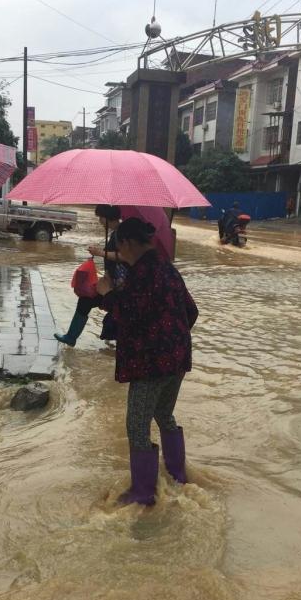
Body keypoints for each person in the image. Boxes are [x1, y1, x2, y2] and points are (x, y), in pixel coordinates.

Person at [96, 217, 198, 507]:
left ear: (128, 243)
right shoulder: (167, 268)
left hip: (151, 364)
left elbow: (128, 314)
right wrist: (172, 337)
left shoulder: (142, 274)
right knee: (164, 414)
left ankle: (143, 493)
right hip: (177, 358)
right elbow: (191, 311)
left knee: (137, 425)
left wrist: (106, 294)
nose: (118, 251)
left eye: (119, 245)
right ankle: (177, 476)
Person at [54, 204, 124, 347]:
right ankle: (71, 337)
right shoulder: (115, 233)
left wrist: (100, 253)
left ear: (107, 217)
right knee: (85, 301)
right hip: (111, 282)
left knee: (114, 313)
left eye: (100, 217)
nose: (99, 221)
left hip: (121, 287)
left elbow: (124, 256)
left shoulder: (123, 233)